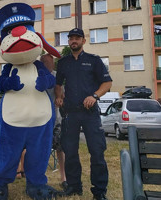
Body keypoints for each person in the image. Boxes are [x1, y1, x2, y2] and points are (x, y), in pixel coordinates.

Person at [55, 28, 112, 200]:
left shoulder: (93, 61)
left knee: (96, 151)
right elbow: (58, 84)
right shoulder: (63, 62)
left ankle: (99, 191)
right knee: (70, 151)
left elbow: (107, 83)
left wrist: (95, 96)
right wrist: (59, 96)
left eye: (77, 38)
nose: (74, 41)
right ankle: (74, 187)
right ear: (69, 41)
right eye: (71, 38)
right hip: (70, 114)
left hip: (90, 113)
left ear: (83, 41)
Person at [40, 54, 67, 189]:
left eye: (50, 63)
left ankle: (64, 178)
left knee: (60, 148)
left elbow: (63, 95)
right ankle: (38, 177)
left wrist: (60, 98)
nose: (48, 66)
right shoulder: (37, 76)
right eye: (45, 63)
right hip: (40, 121)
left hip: (56, 120)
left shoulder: (57, 77)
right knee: (38, 149)